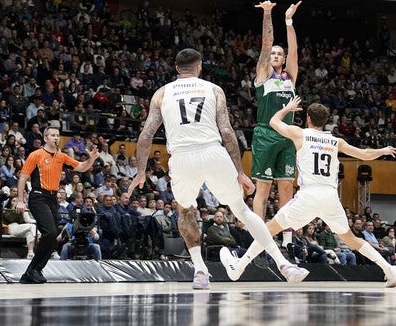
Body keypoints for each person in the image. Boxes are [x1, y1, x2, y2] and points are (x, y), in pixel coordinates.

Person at [128, 48, 308, 289]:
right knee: (242, 211)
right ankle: (283, 264)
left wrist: (141, 170)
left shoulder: (161, 93)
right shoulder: (213, 89)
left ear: (176, 67)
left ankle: (200, 271)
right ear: (200, 66)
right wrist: (240, 171)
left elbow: (147, 134)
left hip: (182, 158)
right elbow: (226, 132)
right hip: (213, 152)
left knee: (186, 212)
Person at [220, 96, 396, 287]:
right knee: (351, 239)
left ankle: (239, 266)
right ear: (325, 121)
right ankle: (389, 269)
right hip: (330, 196)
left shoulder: (300, 134)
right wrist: (382, 150)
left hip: (308, 195)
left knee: (267, 230)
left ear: (308, 118)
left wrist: (288, 108)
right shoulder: (335, 141)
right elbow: (364, 154)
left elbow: (273, 122)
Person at [14, 125, 98, 284]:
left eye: (58, 135)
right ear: (45, 138)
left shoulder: (61, 156)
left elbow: (81, 167)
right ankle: (33, 270)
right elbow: (23, 178)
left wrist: (91, 159)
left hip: (53, 199)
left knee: (54, 237)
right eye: (52, 135)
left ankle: (34, 271)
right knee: (50, 232)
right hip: (38, 197)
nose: (56, 138)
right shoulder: (36, 155)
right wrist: (20, 200)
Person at [250, 0, 301, 249]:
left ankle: (288, 239)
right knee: (263, 189)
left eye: (279, 54)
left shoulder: (290, 77)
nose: (277, 56)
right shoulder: (263, 75)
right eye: (274, 54)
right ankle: (259, 239)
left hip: (287, 136)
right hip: (265, 135)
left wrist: (289, 21)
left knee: (287, 189)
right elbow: (266, 44)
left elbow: (294, 50)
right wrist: (268, 14)